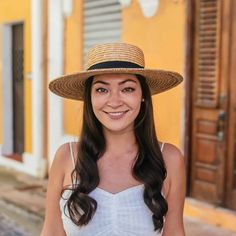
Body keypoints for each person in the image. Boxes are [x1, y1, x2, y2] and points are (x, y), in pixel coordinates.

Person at [41, 42, 186, 236]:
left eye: (127, 89)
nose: (115, 101)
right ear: (90, 97)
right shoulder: (66, 157)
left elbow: (175, 232)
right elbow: (51, 232)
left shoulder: (169, 158)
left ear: (143, 95)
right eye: (102, 89)